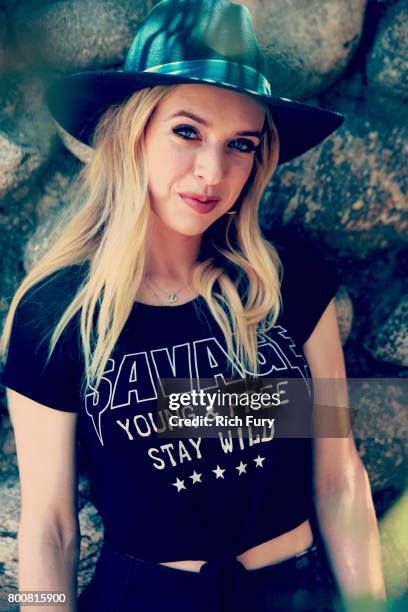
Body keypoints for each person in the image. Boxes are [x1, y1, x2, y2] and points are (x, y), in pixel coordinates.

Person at [0, 0, 387, 611]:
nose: (212, 171)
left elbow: (339, 479)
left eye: (240, 144)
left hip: (293, 594)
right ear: (135, 131)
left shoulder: (290, 284)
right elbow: (49, 531)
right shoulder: (57, 317)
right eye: (187, 131)